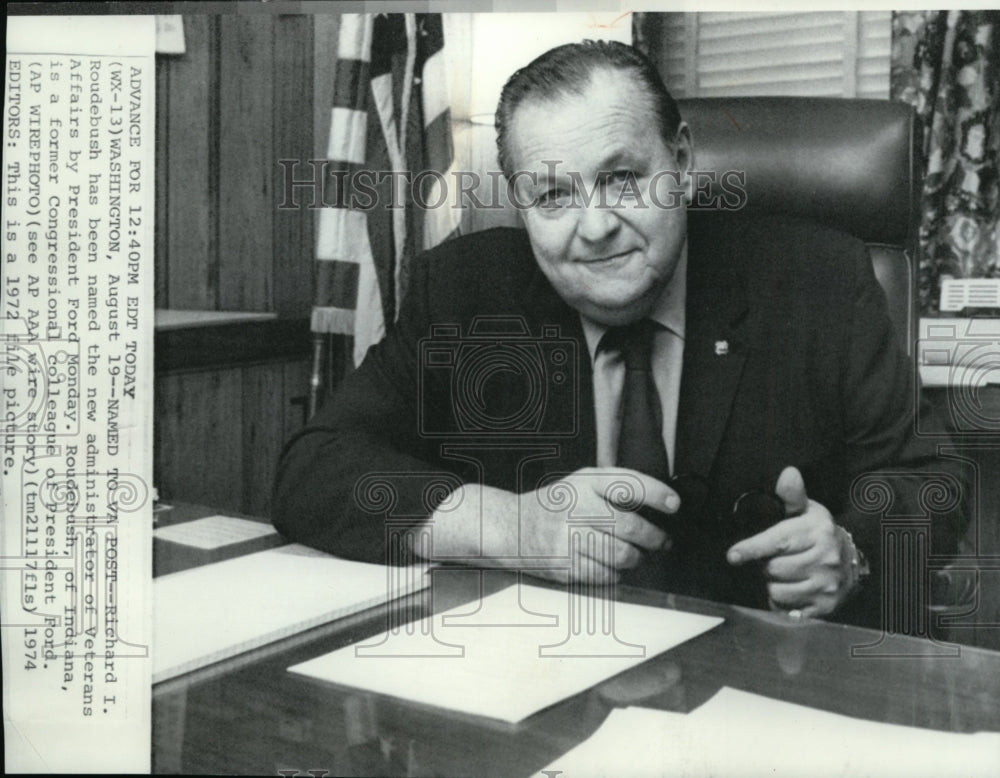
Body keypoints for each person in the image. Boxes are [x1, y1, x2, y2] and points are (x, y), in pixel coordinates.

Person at [273, 40, 967, 628]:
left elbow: (932, 478)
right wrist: (514, 527)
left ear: (683, 164)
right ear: (520, 204)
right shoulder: (463, 293)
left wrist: (852, 548)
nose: (596, 226)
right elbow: (315, 468)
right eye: (553, 196)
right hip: (552, 681)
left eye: (622, 178)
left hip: (768, 676)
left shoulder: (815, 279)